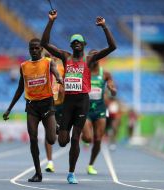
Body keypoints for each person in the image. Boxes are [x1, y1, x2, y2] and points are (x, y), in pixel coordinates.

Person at [41, 10, 116, 184]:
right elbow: (45, 43)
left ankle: (71, 173)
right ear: (70, 45)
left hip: (83, 102)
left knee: (76, 139)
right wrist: (51, 21)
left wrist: (104, 27)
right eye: (73, 42)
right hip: (68, 102)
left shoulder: (89, 60)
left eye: (79, 42)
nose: (76, 44)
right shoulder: (65, 57)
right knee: (62, 142)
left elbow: (112, 47)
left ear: (84, 45)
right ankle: (60, 130)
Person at [3, 38, 63, 182]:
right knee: (33, 139)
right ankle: (38, 173)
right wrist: (9, 109)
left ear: (41, 49)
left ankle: (56, 127)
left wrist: (59, 78)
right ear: (29, 50)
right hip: (32, 106)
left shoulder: (48, 62)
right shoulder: (24, 66)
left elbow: (55, 71)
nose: (34, 50)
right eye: (32, 48)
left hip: (47, 104)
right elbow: (19, 89)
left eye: (37, 48)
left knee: (51, 139)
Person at [81, 49, 117, 175]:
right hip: (86, 109)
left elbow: (112, 85)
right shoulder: (83, 72)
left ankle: (90, 165)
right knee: (87, 138)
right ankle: (83, 136)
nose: (94, 58)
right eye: (92, 56)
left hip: (100, 110)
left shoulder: (105, 74)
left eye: (96, 56)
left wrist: (112, 90)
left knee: (98, 139)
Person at [44, 53, 65, 173]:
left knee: (62, 137)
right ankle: (50, 162)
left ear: (56, 58)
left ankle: (58, 128)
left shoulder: (61, 69)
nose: (50, 59)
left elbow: (66, 84)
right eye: (47, 56)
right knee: (49, 134)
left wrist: (63, 88)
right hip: (48, 105)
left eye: (52, 56)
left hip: (61, 105)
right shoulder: (42, 68)